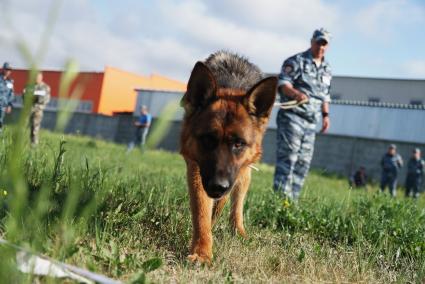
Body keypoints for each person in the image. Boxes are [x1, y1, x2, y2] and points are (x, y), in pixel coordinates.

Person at [273, 28, 332, 200]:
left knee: (303, 163)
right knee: (288, 160)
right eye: (318, 42)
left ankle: (292, 203)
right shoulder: (296, 61)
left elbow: (325, 95)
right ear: (312, 41)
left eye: (324, 43)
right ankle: (279, 202)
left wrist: (326, 115)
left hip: (311, 122)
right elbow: (283, 84)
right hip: (292, 117)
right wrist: (296, 94)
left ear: (327, 46)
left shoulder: (327, 68)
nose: (321, 46)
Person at [24, 72, 51, 145]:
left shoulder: (45, 87)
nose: (37, 79)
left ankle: (33, 144)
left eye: (38, 77)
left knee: (35, 128)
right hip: (28, 109)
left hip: (38, 110)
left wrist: (37, 99)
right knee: (23, 126)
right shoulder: (29, 86)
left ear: (41, 78)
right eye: (36, 77)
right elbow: (24, 96)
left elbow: (47, 99)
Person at [0, 62, 15, 134]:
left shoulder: (10, 82)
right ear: (3, 69)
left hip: (3, 105)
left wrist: (9, 105)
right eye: (7, 69)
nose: (8, 71)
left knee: (0, 121)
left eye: (9, 70)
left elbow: (11, 94)